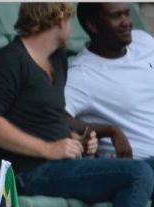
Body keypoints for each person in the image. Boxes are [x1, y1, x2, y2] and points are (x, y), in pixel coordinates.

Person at [0, 2, 154, 207]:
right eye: (68, 20)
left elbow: (50, 119)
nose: (71, 28)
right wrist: (49, 148)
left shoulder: (56, 61)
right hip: (31, 173)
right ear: (57, 20)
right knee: (138, 173)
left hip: (64, 166)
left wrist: (79, 138)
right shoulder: (9, 60)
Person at [66, 4, 154, 165]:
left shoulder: (144, 41)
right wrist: (109, 130)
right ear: (92, 25)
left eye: (127, 14)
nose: (126, 22)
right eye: (116, 16)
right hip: (142, 163)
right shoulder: (81, 74)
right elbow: (56, 117)